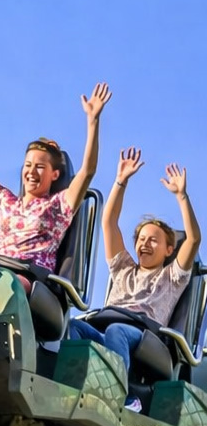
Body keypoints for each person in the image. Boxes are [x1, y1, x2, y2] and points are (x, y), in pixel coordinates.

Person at [67, 149, 201, 410]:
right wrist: (121, 181)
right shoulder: (123, 269)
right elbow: (109, 223)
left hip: (145, 336)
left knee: (117, 331)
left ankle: (122, 397)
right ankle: (76, 385)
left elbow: (194, 239)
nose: (145, 244)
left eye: (153, 240)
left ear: (169, 250)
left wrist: (182, 196)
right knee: (74, 328)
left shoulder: (171, 277)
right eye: (141, 239)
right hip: (107, 328)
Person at [0, 71, 110, 275]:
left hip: (28, 275)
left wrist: (93, 121)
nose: (32, 171)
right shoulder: (6, 201)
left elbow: (88, 171)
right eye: (28, 165)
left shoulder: (57, 206)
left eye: (40, 166)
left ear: (55, 175)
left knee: (4, 287)